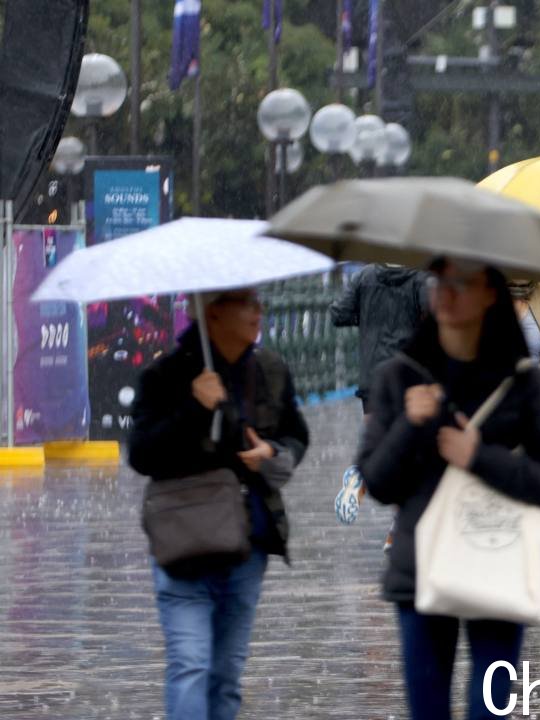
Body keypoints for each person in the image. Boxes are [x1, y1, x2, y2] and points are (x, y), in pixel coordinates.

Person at [356, 258, 540, 720]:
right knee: (428, 708)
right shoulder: (400, 377)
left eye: (463, 283)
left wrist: (478, 456)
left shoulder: (521, 382)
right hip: (421, 565)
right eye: (440, 281)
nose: (447, 292)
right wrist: (409, 424)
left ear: (489, 295)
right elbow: (377, 482)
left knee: (489, 708)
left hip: (498, 557)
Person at [129, 288, 309, 720]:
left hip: (247, 544)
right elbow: (142, 454)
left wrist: (272, 453)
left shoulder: (269, 370)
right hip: (184, 542)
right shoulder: (165, 376)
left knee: (226, 673)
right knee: (191, 665)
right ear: (212, 315)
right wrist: (194, 406)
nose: (258, 312)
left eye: (258, 302)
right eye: (245, 303)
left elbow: (296, 434)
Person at [330, 263, 427, 526]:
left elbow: (339, 313)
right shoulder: (419, 278)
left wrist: (367, 315)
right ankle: (399, 527)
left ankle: (359, 477)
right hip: (407, 376)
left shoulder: (365, 276)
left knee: (379, 442)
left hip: (372, 378)